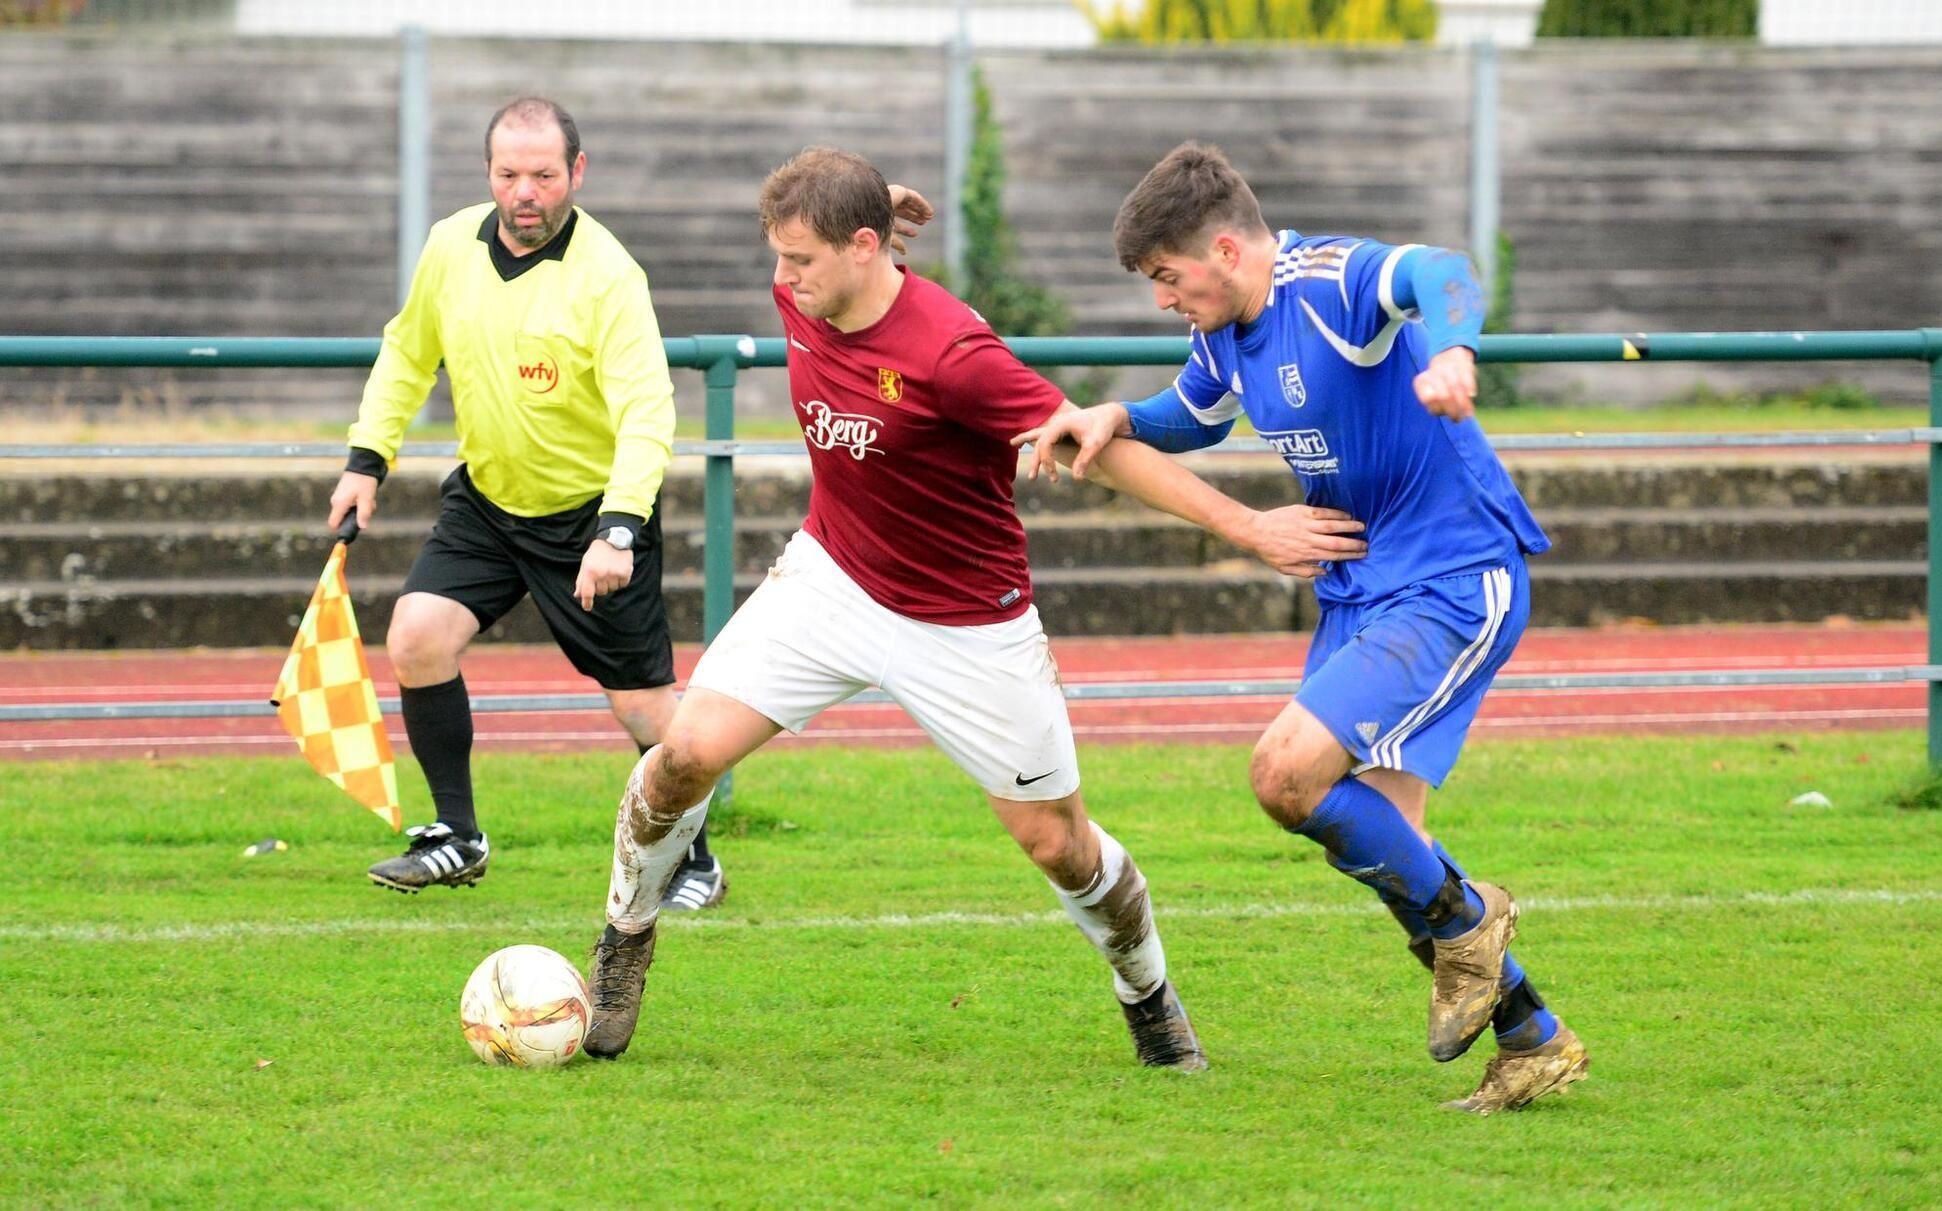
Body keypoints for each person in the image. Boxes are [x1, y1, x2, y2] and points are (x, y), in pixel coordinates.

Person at [578, 145, 1362, 1066]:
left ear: (865, 246)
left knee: (1059, 846)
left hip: (966, 622)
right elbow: (830, 245)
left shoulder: (956, 357)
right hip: (830, 579)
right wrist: (858, 220)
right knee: (684, 755)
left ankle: (1146, 992)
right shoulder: (810, 291)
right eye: (780, 257)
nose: (780, 280)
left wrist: (1248, 526)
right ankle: (625, 937)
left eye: (800, 259)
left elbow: (1094, 447)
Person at [1017, 142, 1590, 1114]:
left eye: (1167, 276)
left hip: (1450, 573)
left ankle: (1473, 920)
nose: (1161, 298)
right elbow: (1193, 415)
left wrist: (1452, 348)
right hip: (1364, 588)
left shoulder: (1326, 280)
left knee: (1284, 774)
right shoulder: (1224, 334)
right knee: (1389, 846)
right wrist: (1112, 414)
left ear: (1227, 249)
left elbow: (1440, 272)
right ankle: (1531, 1036)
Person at [327, 96, 727, 906]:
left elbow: (647, 411)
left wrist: (618, 529)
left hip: (591, 518)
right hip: (486, 502)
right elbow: (408, 354)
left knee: (644, 708)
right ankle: (458, 837)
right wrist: (368, 458)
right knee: (416, 636)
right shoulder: (449, 247)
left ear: (576, 173)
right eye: (509, 174)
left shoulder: (609, 274)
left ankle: (698, 860)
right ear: (489, 174)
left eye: (544, 175)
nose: (526, 193)